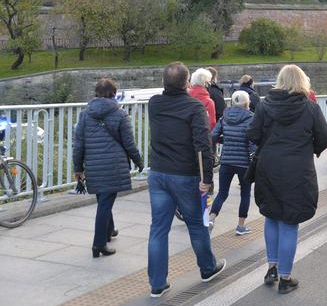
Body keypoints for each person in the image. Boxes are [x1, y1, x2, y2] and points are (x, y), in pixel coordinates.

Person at [247, 65, 327, 295]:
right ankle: (285, 277)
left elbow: (252, 134)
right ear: (302, 81)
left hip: (268, 168)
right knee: (289, 221)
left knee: (271, 216)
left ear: (280, 81)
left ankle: (271, 267)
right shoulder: (311, 108)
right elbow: (324, 137)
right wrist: (307, 149)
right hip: (297, 171)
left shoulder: (264, 106)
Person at [147, 62, 224, 298]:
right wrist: (207, 179)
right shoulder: (194, 107)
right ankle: (207, 268)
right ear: (186, 82)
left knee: (158, 229)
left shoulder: (154, 103)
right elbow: (202, 145)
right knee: (196, 224)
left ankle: (157, 284)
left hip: (158, 173)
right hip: (185, 175)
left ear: (163, 82)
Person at [73, 78, 143, 259]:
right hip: (114, 165)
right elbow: (129, 143)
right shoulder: (120, 114)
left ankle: (109, 231)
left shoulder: (85, 114)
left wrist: (78, 168)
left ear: (96, 93)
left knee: (104, 199)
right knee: (105, 203)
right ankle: (98, 244)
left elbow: (78, 144)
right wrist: (139, 161)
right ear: (114, 94)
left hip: (94, 165)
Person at [208, 91, 254, 235]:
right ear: (247, 103)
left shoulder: (224, 117)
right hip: (244, 163)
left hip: (227, 161)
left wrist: (225, 139)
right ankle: (240, 226)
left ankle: (211, 219)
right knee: (245, 194)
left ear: (233, 102)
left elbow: (213, 135)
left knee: (222, 193)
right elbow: (253, 141)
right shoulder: (251, 118)